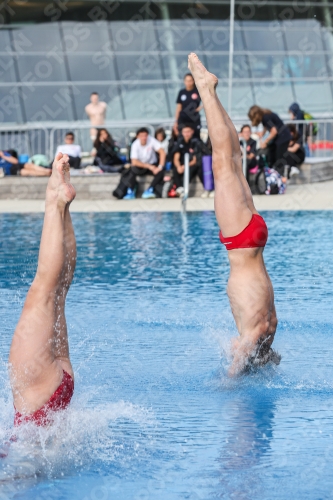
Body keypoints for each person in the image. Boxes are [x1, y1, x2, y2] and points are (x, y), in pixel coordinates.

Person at [188, 53, 279, 376]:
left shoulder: (267, 330)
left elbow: (263, 346)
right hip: (244, 241)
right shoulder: (256, 333)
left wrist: (238, 373)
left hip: (253, 239)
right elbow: (249, 344)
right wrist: (232, 376)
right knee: (226, 162)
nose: (232, 348)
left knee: (231, 159)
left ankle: (209, 91)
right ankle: (207, 90)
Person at [9, 152, 76, 426]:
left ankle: (62, 206)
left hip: (58, 390)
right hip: (38, 396)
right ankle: (55, 203)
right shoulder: (21, 460)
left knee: (58, 293)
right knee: (46, 292)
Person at [122, 127, 166, 200]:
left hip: (152, 164)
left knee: (161, 172)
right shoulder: (135, 144)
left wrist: (160, 166)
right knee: (132, 169)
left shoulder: (152, 140)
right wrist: (149, 166)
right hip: (141, 166)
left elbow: (162, 153)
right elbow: (134, 161)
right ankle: (130, 191)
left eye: (145, 135)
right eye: (142, 136)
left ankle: (150, 189)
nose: (144, 138)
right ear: (138, 136)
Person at [248, 105, 291, 177]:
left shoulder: (265, 117)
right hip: (282, 137)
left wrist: (265, 142)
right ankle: (275, 175)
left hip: (282, 138)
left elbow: (274, 131)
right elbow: (267, 126)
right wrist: (262, 134)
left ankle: (278, 179)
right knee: (271, 155)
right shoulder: (266, 116)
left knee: (278, 159)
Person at [168, 124, 204, 198]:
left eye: (188, 132)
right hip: (182, 165)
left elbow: (195, 160)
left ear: (192, 132)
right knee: (175, 169)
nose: (186, 134)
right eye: (185, 132)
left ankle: (183, 188)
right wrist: (179, 167)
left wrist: (184, 166)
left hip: (191, 165)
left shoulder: (196, 142)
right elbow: (176, 157)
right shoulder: (179, 142)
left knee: (192, 169)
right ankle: (180, 188)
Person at [173, 73, 202, 139]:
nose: (188, 83)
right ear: (184, 81)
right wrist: (176, 121)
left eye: (190, 80)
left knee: (196, 137)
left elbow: (207, 100)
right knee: (182, 137)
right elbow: (178, 107)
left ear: (193, 81)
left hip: (194, 118)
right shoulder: (182, 92)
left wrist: (199, 108)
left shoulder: (198, 91)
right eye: (187, 81)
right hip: (183, 118)